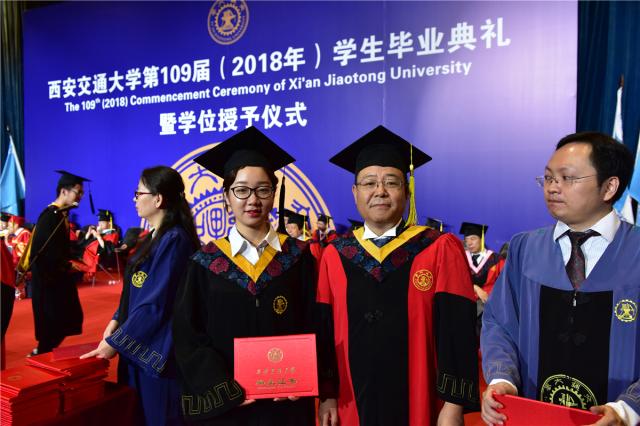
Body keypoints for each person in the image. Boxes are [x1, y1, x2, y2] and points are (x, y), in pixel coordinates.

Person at [317, 125, 479, 425]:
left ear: (407, 191)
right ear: (355, 193)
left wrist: (454, 404)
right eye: (369, 183)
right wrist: (328, 394)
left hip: (422, 401)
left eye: (391, 182)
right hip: (354, 402)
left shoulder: (437, 248)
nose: (379, 191)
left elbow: (458, 330)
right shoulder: (335, 255)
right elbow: (325, 331)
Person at [481, 132, 640, 426]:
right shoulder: (525, 248)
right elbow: (499, 322)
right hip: (534, 416)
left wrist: (628, 409)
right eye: (548, 178)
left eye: (567, 178)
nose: (553, 187)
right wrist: (503, 378)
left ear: (609, 187)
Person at [172, 126, 316, 425]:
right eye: (241, 190)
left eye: (263, 189)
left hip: (285, 404)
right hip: (229, 407)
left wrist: (302, 375)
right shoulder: (205, 262)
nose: (253, 200)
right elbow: (188, 334)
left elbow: (315, 322)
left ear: (274, 194)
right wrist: (221, 387)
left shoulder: (298, 257)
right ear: (226, 196)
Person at [81, 166, 200, 425]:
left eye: (139, 193)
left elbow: (156, 302)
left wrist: (115, 343)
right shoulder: (152, 238)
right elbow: (137, 290)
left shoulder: (175, 240)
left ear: (158, 199)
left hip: (156, 353)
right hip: (135, 344)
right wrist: (116, 319)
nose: (134, 199)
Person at [25, 170, 86, 355]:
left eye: (82, 192)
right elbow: (42, 251)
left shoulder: (61, 215)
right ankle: (41, 352)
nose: (80, 196)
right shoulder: (50, 215)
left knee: (68, 317)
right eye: (78, 192)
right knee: (53, 321)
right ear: (64, 191)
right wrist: (65, 265)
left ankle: (42, 350)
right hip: (48, 279)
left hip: (59, 276)